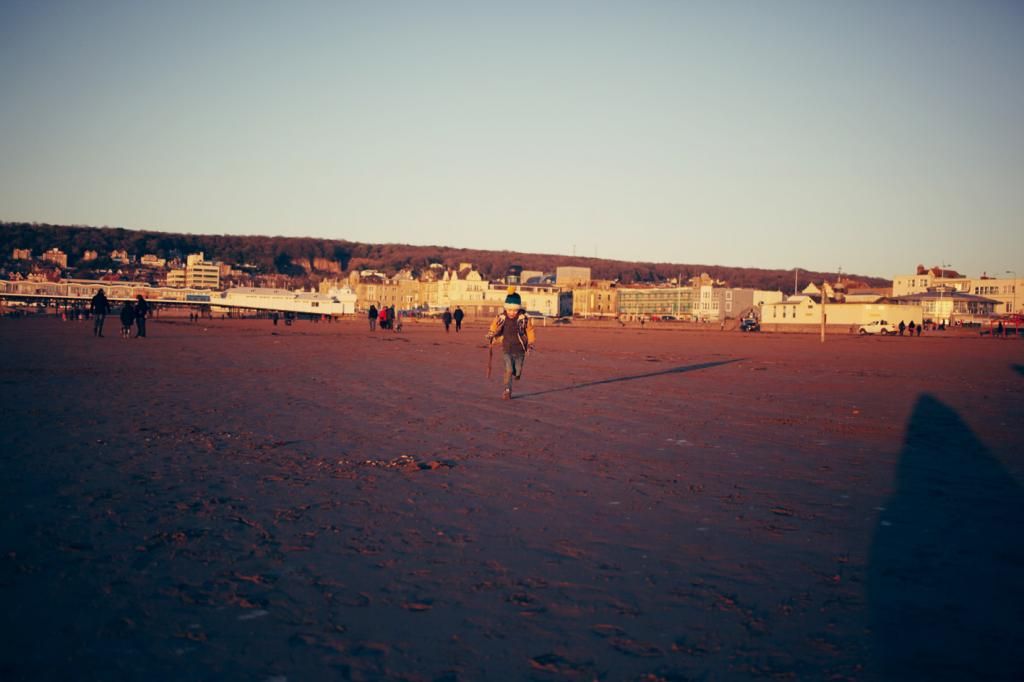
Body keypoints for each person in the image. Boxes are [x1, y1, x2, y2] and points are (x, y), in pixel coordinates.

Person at [486, 287, 536, 400]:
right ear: (506, 308)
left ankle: (517, 374)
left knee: (517, 371)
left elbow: (530, 331)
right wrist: (491, 334)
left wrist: (531, 343)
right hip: (507, 348)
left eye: (514, 310)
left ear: (518, 309)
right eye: (509, 310)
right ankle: (507, 390)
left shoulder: (524, 319)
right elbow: (494, 326)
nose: (512, 312)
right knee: (508, 369)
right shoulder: (501, 317)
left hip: (520, 349)